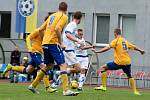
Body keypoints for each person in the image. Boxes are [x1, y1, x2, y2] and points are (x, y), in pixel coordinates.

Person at [28, 2, 79, 96]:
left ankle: (33, 85)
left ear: (58, 8)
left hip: (45, 43)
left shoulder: (52, 16)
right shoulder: (64, 16)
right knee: (63, 64)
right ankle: (66, 90)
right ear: (66, 9)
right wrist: (61, 43)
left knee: (49, 65)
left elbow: (40, 29)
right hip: (53, 43)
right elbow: (58, 29)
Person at [3, 22, 56, 93]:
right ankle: (47, 87)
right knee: (43, 67)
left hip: (39, 53)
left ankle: (11, 67)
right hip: (34, 52)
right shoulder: (38, 31)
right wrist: (29, 48)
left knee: (28, 70)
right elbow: (28, 38)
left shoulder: (47, 33)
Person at [92, 28, 145, 95]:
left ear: (115, 33)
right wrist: (141, 50)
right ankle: (135, 91)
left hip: (119, 62)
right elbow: (134, 47)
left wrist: (97, 51)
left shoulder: (116, 41)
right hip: (127, 62)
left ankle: (103, 86)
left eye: (114, 33)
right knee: (129, 76)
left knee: (103, 68)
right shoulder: (124, 41)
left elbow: (107, 48)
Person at [62, 11, 82, 79]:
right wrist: (78, 41)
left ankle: (55, 84)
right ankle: (61, 72)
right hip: (68, 50)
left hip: (68, 50)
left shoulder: (72, 25)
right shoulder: (73, 24)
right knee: (78, 69)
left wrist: (76, 42)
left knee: (68, 67)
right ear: (80, 19)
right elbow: (68, 34)